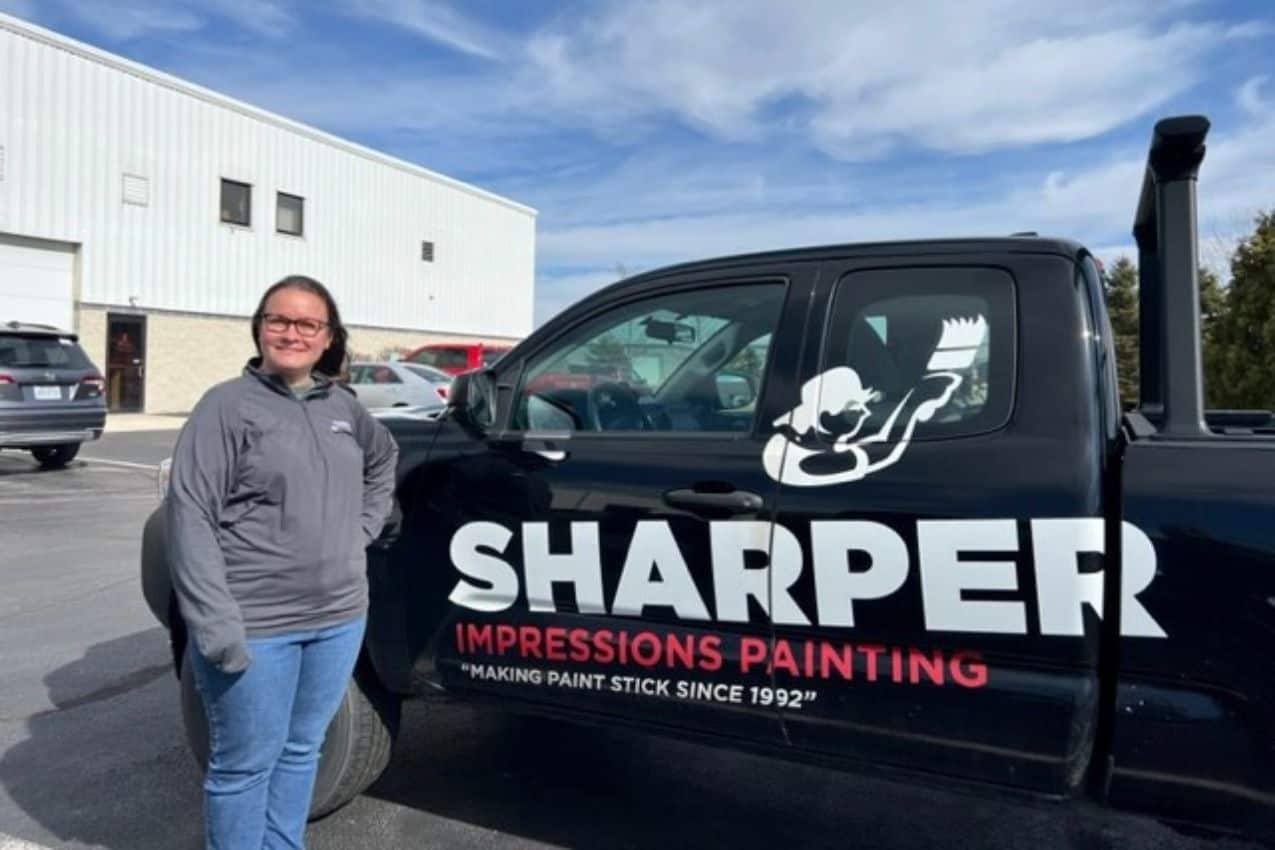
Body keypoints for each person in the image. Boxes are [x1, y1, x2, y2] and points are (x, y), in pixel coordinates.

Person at [166, 275, 398, 850]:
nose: (291, 333)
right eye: (279, 320)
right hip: (256, 623)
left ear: (328, 338)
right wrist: (213, 622)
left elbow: (383, 460)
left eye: (307, 324)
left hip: (338, 618)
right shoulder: (226, 406)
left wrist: (360, 531)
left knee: (301, 752)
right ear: (260, 328)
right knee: (244, 766)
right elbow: (190, 515)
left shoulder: (342, 406)